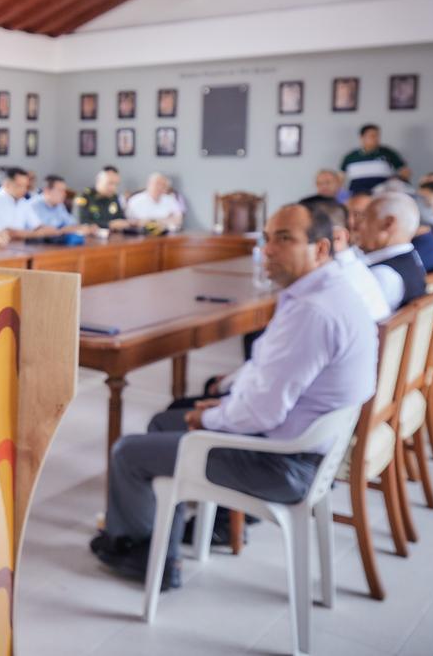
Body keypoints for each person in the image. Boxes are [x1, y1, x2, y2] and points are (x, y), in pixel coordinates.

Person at [91, 205, 376, 589]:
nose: (269, 249)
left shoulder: (313, 311)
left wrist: (207, 419)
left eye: (285, 239)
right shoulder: (330, 290)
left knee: (129, 452)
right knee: (165, 421)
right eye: (268, 238)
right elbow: (270, 377)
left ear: (321, 248)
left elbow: (262, 412)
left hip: (281, 464)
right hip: (307, 445)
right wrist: (225, 399)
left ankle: (142, 556)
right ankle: (163, 544)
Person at [357, 192, 427, 310]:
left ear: (388, 223)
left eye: (364, 218)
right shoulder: (413, 257)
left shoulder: (383, 275)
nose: (358, 226)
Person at [0, 167, 66, 240]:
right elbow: (4, 233)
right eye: (19, 186)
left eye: (26, 186)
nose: (24, 190)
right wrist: (36, 234)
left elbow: (37, 226)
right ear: (7, 184)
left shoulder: (23, 202)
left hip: (19, 249)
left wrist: (55, 231)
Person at [341, 124, 409, 194]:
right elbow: (341, 177)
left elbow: (405, 171)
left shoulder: (387, 153)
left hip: (382, 195)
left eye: (378, 136)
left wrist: (396, 181)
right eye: (372, 136)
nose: (376, 139)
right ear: (362, 137)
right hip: (357, 196)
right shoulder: (351, 157)